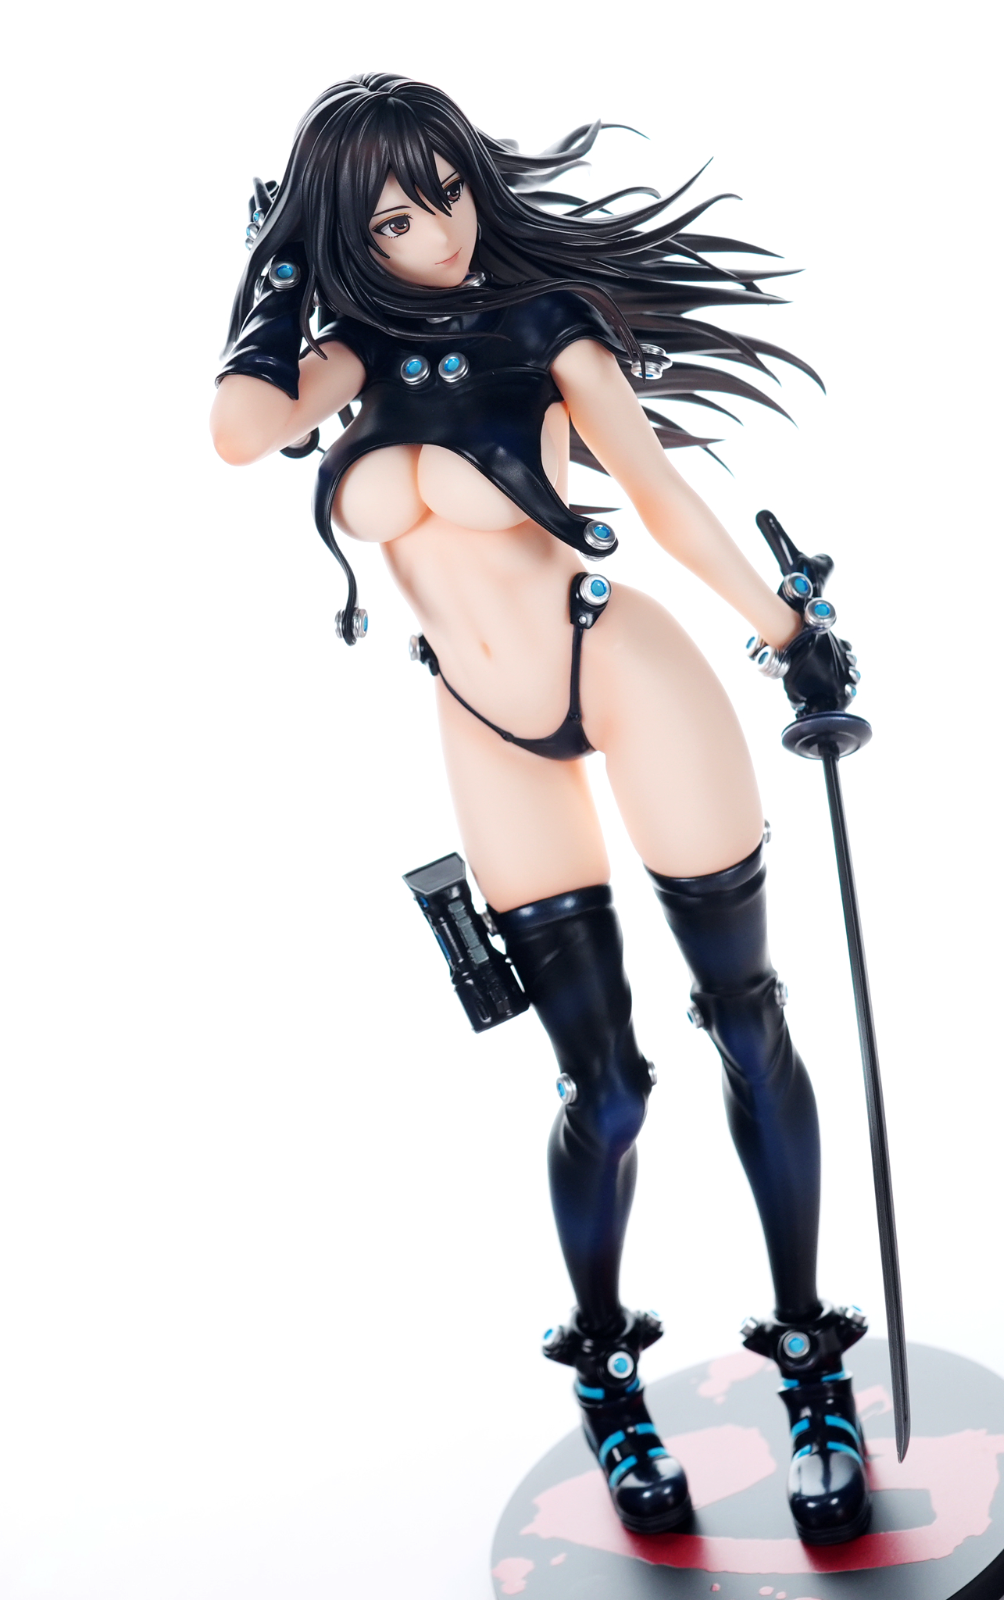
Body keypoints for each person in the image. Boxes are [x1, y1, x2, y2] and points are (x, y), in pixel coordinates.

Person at [210, 72, 869, 1545]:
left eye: (446, 193)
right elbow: (239, 431)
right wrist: (275, 265)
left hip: (620, 667)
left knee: (747, 1023)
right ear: (344, 233)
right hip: (482, 722)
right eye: (392, 216)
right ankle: (607, 1379)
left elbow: (661, 493)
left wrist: (787, 632)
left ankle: (812, 1367)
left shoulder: (542, 325)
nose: (437, 232)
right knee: (602, 1088)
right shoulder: (342, 357)